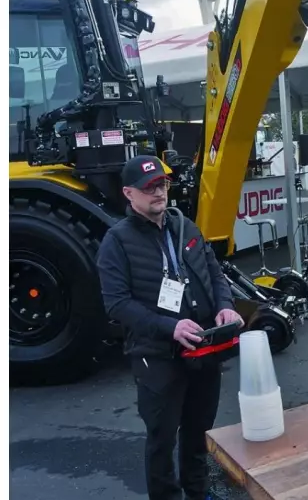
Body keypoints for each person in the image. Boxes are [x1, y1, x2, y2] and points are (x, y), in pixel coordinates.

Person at [96, 155, 241, 500]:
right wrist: (168, 327)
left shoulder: (185, 226)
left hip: (203, 349)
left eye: (161, 184)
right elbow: (116, 304)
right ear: (129, 194)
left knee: (198, 430)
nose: (158, 192)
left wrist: (225, 306)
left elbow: (214, 272)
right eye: (149, 188)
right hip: (157, 356)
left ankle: (198, 491)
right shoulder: (117, 242)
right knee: (162, 439)